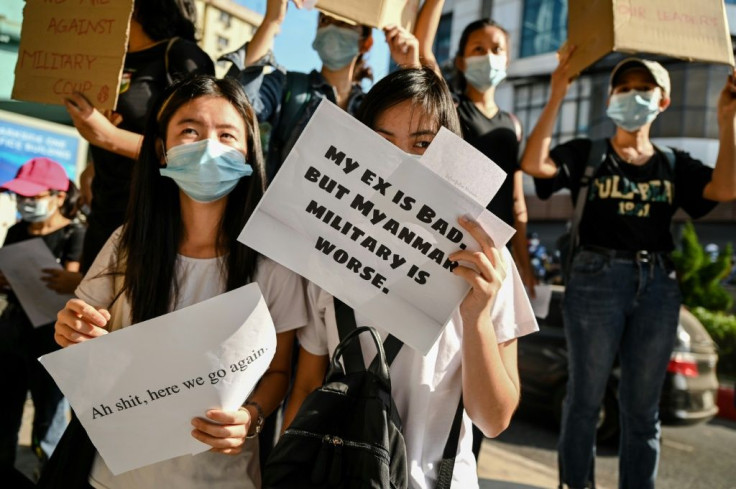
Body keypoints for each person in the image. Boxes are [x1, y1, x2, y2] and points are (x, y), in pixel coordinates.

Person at [283, 67, 538, 489]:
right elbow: (308, 385)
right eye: (384, 143)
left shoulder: (488, 261)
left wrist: (476, 318)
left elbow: (494, 419)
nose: (404, 160)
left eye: (422, 144)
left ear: (451, 155)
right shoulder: (327, 248)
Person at [52, 75, 308, 489]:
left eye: (227, 134)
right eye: (190, 130)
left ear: (248, 153)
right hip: (113, 478)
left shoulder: (273, 264)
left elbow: (279, 370)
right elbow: (81, 329)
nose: (209, 146)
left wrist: (251, 418)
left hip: (224, 480)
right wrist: (72, 327)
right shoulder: (127, 244)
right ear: (161, 149)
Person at [520, 51, 736, 489]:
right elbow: (534, 165)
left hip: (657, 287)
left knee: (643, 410)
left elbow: (725, 188)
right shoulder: (587, 154)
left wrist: (726, 117)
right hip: (594, 281)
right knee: (584, 399)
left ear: (663, 101)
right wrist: (558, 93)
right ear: (609, 100)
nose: (633, 96)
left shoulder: (674, 164)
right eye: (623, 89)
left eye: (644, 89)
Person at [64, 0, 214, 273]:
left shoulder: (180, 55)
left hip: (150, 219)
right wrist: (95, 164)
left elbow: (199, 151)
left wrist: (109, 137)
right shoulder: (112, 58)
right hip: (103, 213)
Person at [232, 0, 420, 180]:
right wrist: (272, 21)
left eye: (344, 23)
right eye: (325, 20)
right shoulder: (289, 86)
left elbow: (414, 145)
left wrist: (411, 67)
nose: (332, 28)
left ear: (366, 43)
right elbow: (237, 108)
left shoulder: (374, 109)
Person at [0, 157, 85, 479]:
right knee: (4, 415)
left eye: (33, 197)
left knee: (48, 424)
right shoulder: (18, 231)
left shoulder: (76, 235)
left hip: (52, 340)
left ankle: (49, 476)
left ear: (58, 196)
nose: (25, 203)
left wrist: (72, 282)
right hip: (11, 333)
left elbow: (80, 283)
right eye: (20, 196)